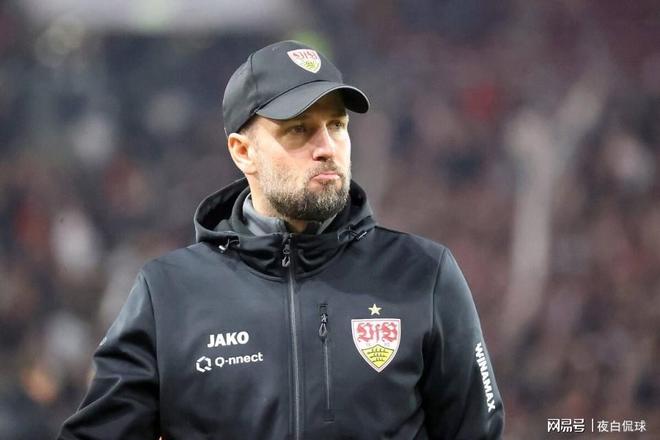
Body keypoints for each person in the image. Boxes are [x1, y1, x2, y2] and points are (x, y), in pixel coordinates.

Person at [59, 40, 504, 440]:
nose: (327, 146)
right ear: (243, 152)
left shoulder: (424, 274)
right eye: (299, 129)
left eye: (337, 125)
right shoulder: (168, 294)